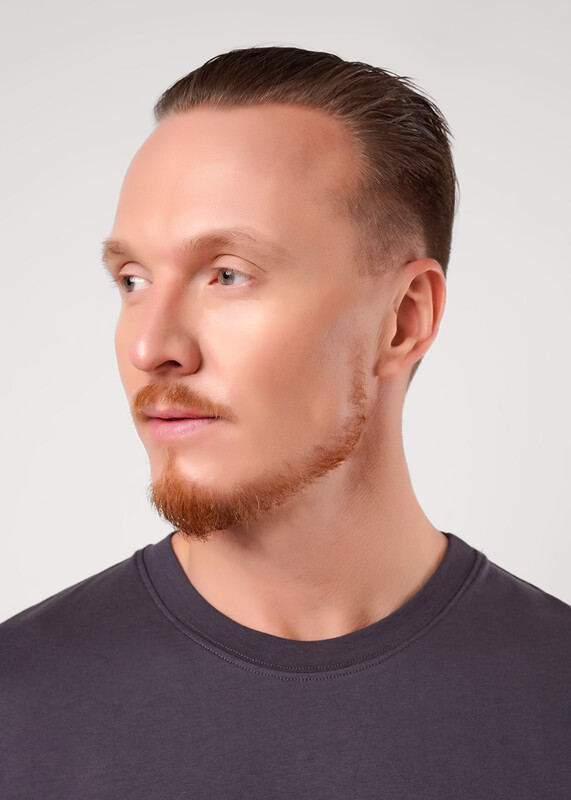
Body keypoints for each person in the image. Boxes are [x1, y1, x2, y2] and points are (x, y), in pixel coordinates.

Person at [1, 46, 569, 799]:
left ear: (403, 320)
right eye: (132, 281)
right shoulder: (17, 707)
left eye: (227, 275)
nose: (151, 347)